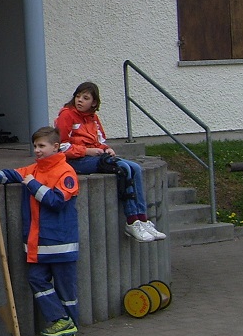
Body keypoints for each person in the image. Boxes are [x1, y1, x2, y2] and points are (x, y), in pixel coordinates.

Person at [0, 126, 80, 336]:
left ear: (55, 147)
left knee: (67, 290)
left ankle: (69, 326)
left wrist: (33, 184)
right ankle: (61, 320)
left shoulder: (65, 172)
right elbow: (15, 173)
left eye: (41, 146)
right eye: (35, 146)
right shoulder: (35, 169)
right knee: (37, 279)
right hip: (39, 244)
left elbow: (56, 201)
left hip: (61, 243)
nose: (37, 150)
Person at [55, 81, 166, 242]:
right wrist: (86, 151)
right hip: (75, 160)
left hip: (93, 156)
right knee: (122, 168)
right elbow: (61, 146)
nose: (80, 100)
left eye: (85, 98)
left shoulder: (93, 118)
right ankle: (131, 221)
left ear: (93, 102)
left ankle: (142, 219)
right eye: (78, 96)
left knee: (134, 167)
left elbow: (99, 140)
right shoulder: (66, 115)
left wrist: (106, 148)